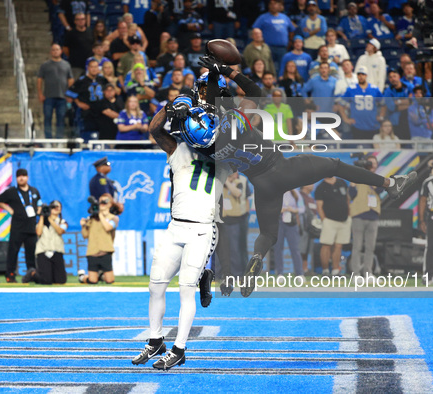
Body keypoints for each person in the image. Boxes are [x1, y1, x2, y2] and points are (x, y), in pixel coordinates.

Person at [170, 55, 417, 296]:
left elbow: (184, 129)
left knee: (268, 234)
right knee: (334, 165)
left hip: (260, 184)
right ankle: (389, 183)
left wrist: (184, 104)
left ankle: (257, 257)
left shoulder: (205, 145)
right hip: (281, 168)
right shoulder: (236, 117)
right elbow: (254, 89)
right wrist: (226, 69)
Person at [132, 101, 231, 370]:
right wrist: (170, 106)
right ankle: (156, 340)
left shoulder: (225, 153)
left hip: (202, 228)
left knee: (185, 289)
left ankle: (180, 348)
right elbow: (154, 129)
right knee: (156, 285)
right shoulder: (178, 148)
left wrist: (210, 122)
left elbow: (236, 144)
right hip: (176, 226)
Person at [0, 169, 43, 283]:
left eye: (23, 176)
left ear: (27, 177)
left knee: (31, 254)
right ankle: (10, 275)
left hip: (31, 227)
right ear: (16, 178)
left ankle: (31, 274)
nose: (21, 178)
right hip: (17, 228)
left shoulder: (34, 191)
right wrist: (9, 209)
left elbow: (39, 204)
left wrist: (39, 211)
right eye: (19, 176)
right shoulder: (12, 191)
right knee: (13, 252)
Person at [349, 155, 383, 276]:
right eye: (370, 163)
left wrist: (371, 177)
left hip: (373, 215)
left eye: (374, 163)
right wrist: (356, 176)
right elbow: (351, 193)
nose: (372, 165)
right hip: (359, 214)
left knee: (370, 247)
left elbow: (379, 190)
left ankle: (368, 272)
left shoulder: (378, 178)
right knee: (357, 246)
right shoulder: (357, 176)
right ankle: (356, 274)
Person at [78, 193, 121, 284]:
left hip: (105, 251)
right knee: (93, 281)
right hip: (92, 251)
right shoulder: (92, 218)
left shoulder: (113, 218)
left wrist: (100, 214)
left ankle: (101, 275)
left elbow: (108, 227)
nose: (101, 204)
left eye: (104, 202)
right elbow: (85, 235)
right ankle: (82, 277)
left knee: (110, 281)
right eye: (100, 202)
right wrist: (83, 226)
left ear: (110, 204)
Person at [23, 201, 68, 285]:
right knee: (46, 281)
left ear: (61, 209)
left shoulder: (62, 221)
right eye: (53, 206)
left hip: (57, 251)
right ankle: (33, 273)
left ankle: (46, 274)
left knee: (61, 280)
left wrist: (50, 219)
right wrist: (42, 216)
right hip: (43, 251)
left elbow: (60, 231)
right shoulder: (42, 221)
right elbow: (39, 232)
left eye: (58, 206)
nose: (56, 208)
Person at [315, 177, 351, 276]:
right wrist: (324, 220)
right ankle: (325, 270)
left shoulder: (342, 182)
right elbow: (319, 206)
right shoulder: (320, 187)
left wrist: (349, 215)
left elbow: (347, 199)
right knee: (326, 245)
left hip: (344, 220)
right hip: (329, 221)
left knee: (339, 246)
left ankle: (336, 270)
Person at [65, 59, 108, 141]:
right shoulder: (82, 80)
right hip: (88, 114)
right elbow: (69, 93)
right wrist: (78, 103)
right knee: (87, 137)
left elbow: (109, 91)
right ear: (88, 68)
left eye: (96, 67)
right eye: (92, 67)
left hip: (101, 113)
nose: (94, 69)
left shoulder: (102, 79)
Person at [37, 44, 74, 139]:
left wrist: (69, 94)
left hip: (62, 96)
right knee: (47, 118)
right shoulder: (45, 65)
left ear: (61, 51)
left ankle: (59, 139)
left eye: (57, 49)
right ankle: (48, 139)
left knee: (61, 119)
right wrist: (40, 93)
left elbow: (70, 79)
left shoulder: (66, 64)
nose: (55, 51)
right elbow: (39, 79)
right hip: (48, 96)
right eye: (53, 50)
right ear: (50, 52)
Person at [340, 65, 385, 140]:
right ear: (357, 76)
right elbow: (340, 105)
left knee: (374, 150)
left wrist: (381, 116)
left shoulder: (374, 89)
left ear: (366, 75)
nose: (361, 76)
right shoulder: (351, 89)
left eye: (363, 74)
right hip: (357, 125)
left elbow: (383, 104)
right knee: (359, 149)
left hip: (373, 125)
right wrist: (346, 119)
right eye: (359, 74)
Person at [252, 0, 295, 65]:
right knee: (268, 67)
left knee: (282, 68)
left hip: (282, 48)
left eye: (275, 4)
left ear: (279, 5)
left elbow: (292, 30)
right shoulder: (263, 17)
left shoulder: (285, 17)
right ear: (269, 6)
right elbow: (255, 29)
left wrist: (290, 41)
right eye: (271, 4)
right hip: (268, 47)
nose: (273, 6)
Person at [274, 189, 305, 278]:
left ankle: (299, 273)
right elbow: (271, 207)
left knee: (295, 249)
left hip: (292, 222)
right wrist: (279, 209)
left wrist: (293, 210)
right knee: (278, 248)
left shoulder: (295, 192)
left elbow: (302, 208)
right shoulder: (277, 192)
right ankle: (280, 273)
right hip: (279, 221)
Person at [62, 13, 93, 80]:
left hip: (89, 65)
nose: (81, 21)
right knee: (75, 85)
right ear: (75, 21)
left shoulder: (90, 31)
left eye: (82, 19)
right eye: (78, 20)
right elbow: (65, 49)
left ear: (85, 20)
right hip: (75, 65)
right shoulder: (70, 33)